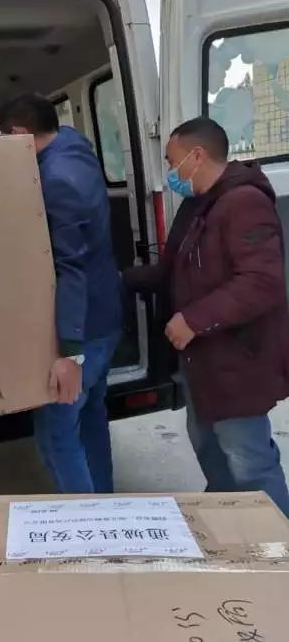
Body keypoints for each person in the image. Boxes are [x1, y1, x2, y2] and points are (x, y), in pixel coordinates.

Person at [124, 117, 289, 516]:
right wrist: (118, 280)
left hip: (238, 364)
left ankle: (278, 542)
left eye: (171, 161)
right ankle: (230, 530)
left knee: (249, 462)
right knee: (209, 450)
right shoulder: (198, 204)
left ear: (196, 156)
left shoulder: (243, 203)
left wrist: (194, 320)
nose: (169, 171)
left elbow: (261, 282)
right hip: (202, 364)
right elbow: (171, 270)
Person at [0, 94, 122, 494]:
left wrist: (70, 353)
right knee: (91, 419)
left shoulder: (55, 182)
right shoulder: (74, 144)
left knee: (58, 434)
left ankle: (87, 524)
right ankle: (103, 505)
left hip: (84, 328)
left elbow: (71, 269)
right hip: (106, 316)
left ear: (20, 134)